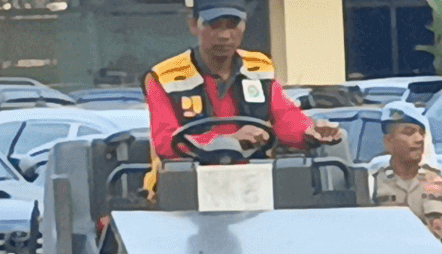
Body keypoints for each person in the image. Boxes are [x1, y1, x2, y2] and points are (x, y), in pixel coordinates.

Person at [144, 0, 339, 161]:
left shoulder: (260, 68)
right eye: (214, 25)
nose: (224, 35)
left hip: (255, 176)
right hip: (184, 182)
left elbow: (284, 117)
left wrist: (309, 131)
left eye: (232, 25)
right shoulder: (163, 77)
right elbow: (165, 142)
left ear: (244, 26)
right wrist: (228, 141)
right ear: (194, 25)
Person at [370, 103, 442, 253]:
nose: (418, 139)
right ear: (388, 141)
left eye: (421, 133)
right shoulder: (372, 180)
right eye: (408, 132)